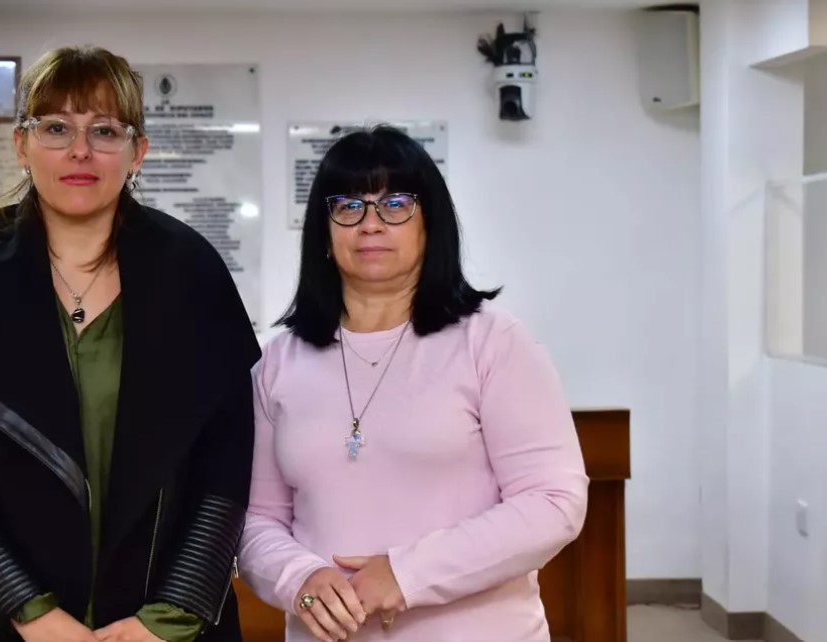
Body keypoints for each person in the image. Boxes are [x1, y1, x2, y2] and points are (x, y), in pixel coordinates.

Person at [0, 45, 259, 642]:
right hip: (3, 621)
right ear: (22, 144)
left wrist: (168, 621)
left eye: (105, 130)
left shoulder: (194, 274)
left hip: (162, 626)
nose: (80, 150)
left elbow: (227, 466)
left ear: (138, 151)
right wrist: (29, 612)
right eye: (56, 127)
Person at [237, 126, 589, 642]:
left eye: (396, 204)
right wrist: (299, 578)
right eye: (348, 206)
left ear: (430, 225)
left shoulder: (493, 343)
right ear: (324, 235)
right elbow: (256, 521)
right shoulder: (278, 363)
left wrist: (406, 574)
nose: (370, 223)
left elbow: (554, 502)